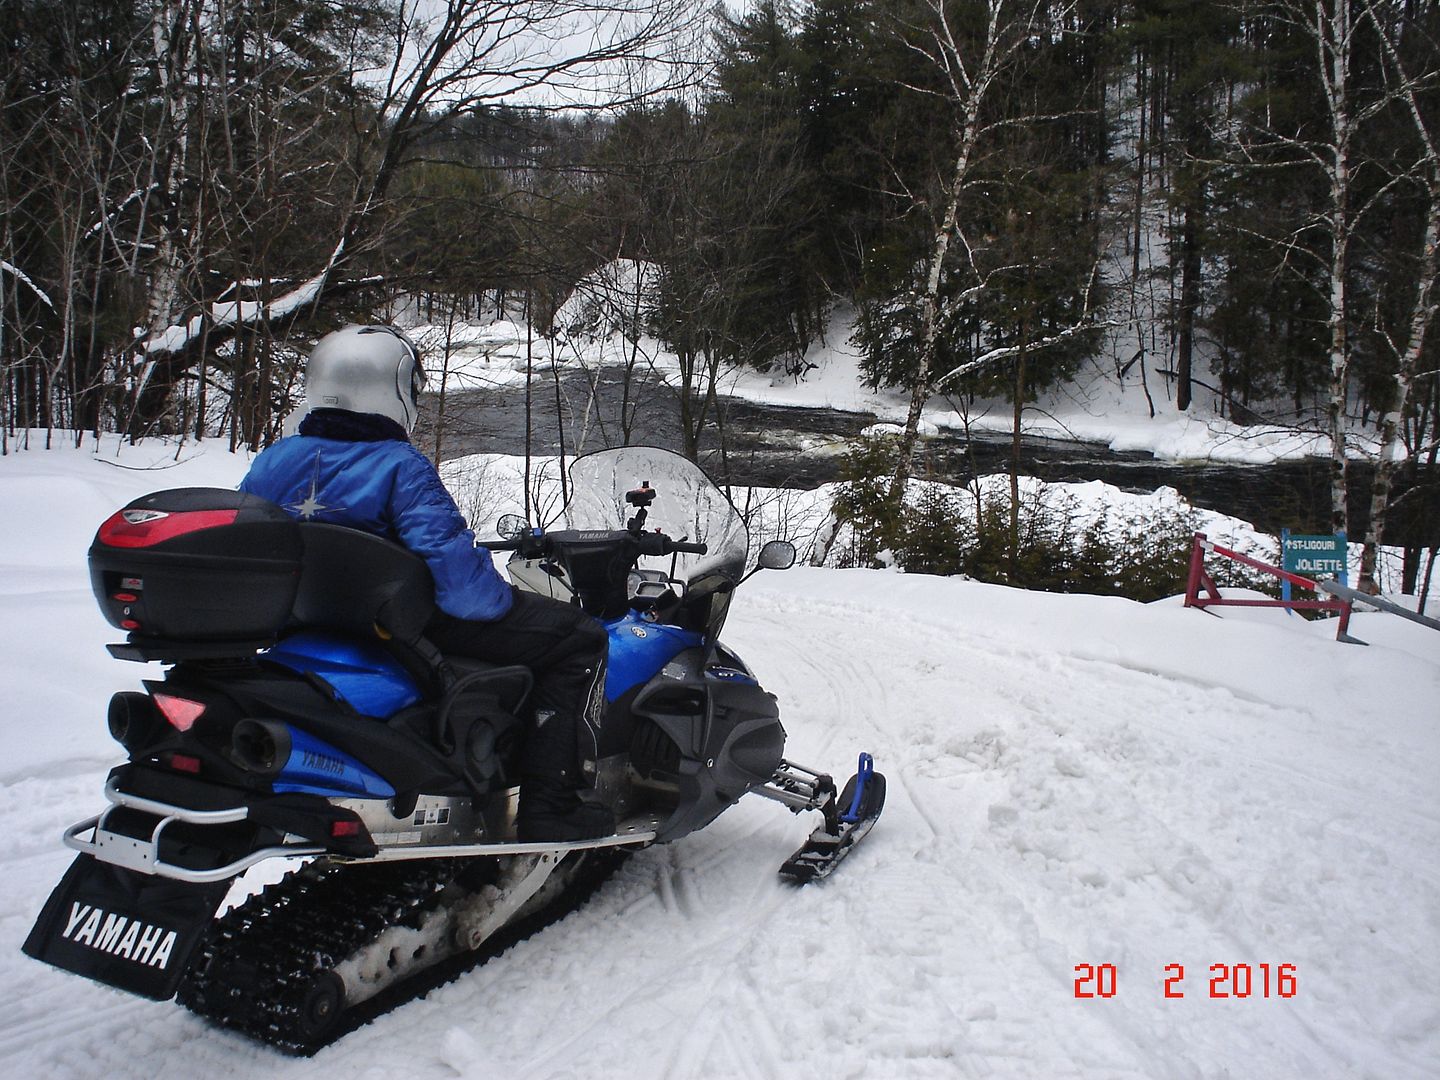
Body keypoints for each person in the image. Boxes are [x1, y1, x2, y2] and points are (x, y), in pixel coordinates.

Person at [239, 324, 613, 842]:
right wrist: (505, 599)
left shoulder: (274, 459)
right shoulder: (399, 464)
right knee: (580, 638)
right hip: (400, 625)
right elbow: (460, 585)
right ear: (391, 389)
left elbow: (248, 540)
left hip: (313, 620)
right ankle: (552, 803)